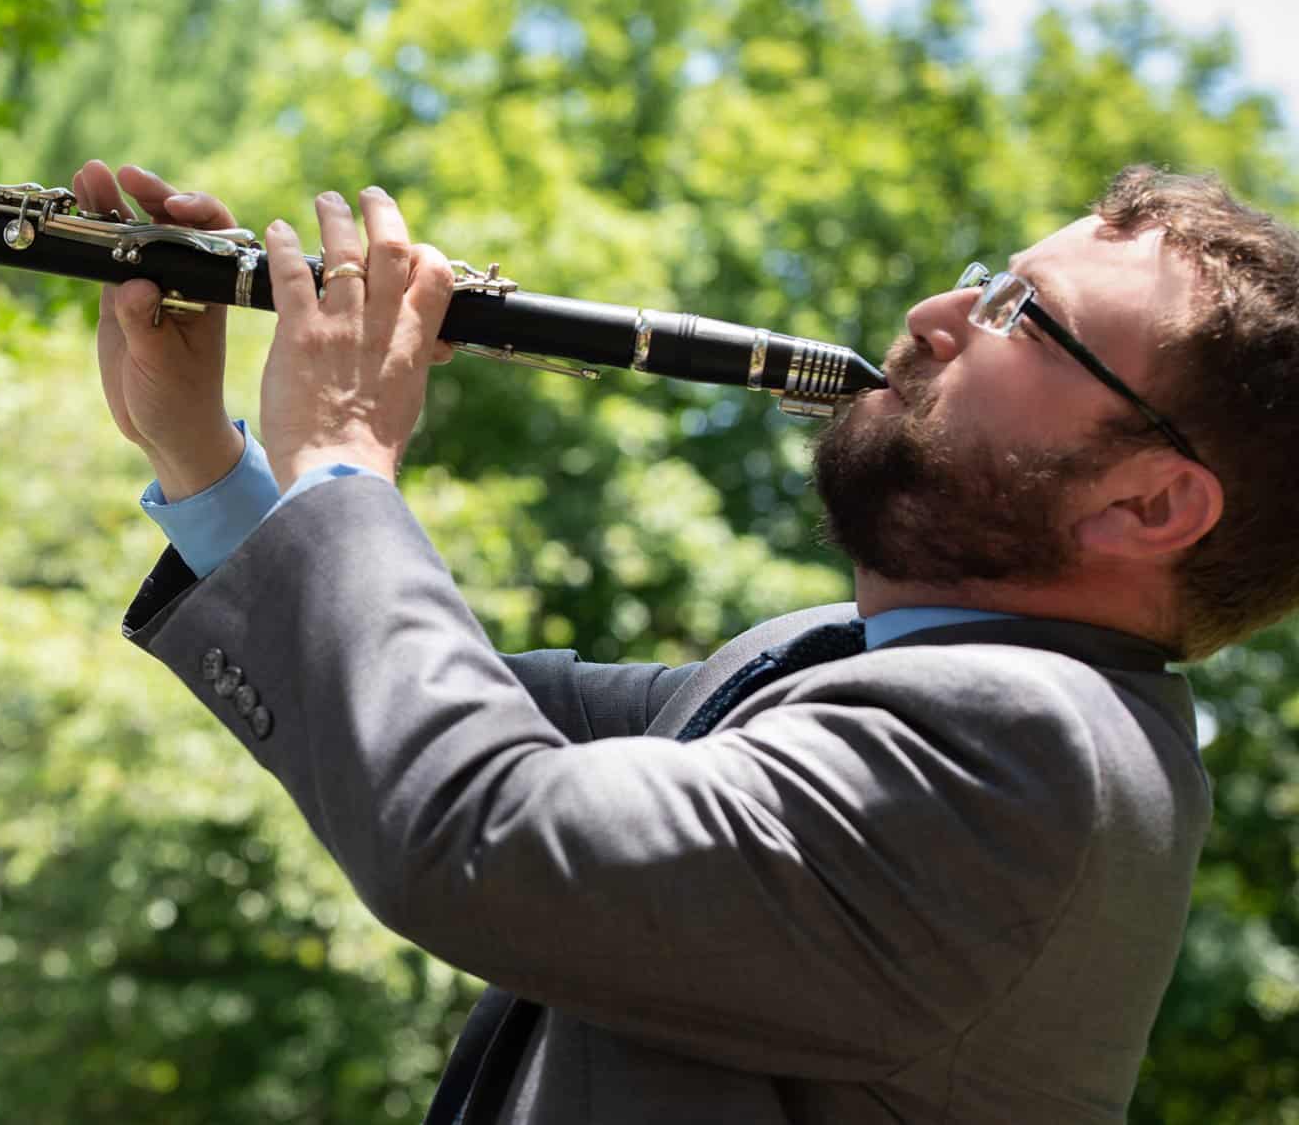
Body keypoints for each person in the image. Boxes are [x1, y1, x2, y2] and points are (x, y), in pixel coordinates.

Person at [77, 157, 1299, 1123]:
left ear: (1151, 504)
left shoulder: (1023, 747)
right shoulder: (853, 659)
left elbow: (478, 826)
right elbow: (417, 711)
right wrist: (203, 458)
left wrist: (343, 453)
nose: (934, 316)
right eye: (985, 281)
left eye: (1023, 317)